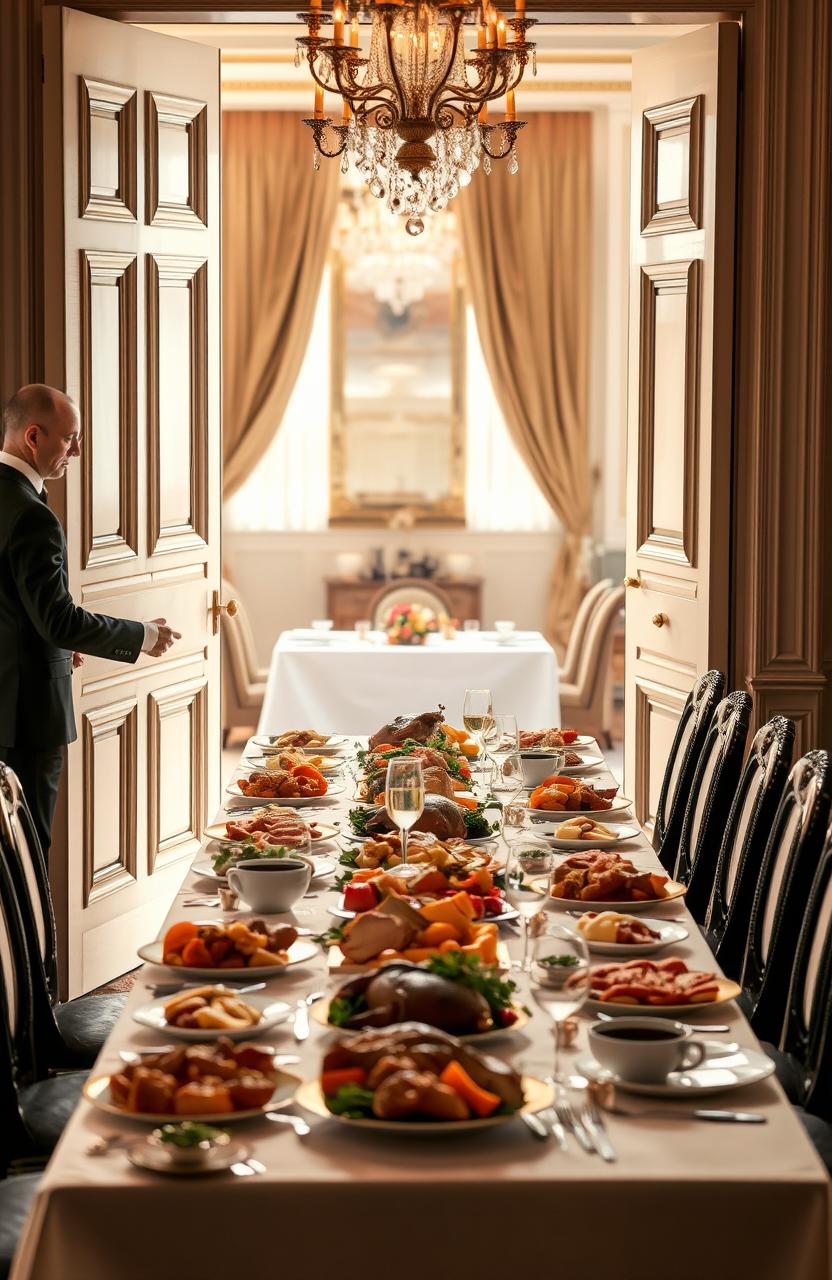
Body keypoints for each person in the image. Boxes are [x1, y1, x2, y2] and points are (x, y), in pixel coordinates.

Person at [0, 384, 181, 856]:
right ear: (33, 436)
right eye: (70, 439)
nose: (77, 451)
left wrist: (54, 642)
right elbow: (56, 619)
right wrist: (143, 636)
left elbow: (15, 607)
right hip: (26, 719)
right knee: (28, 857)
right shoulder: (31, 515)